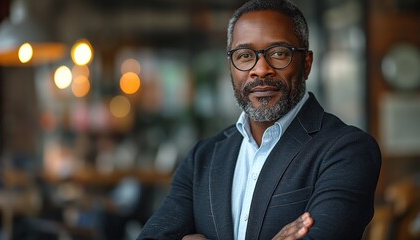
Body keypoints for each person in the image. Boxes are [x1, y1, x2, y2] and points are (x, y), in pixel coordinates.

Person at [138, 0, 381, 239]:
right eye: (245, 55)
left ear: (306, 64)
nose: (261, 69)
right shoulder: (203, 157)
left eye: (278, 53)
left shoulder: (347, 150)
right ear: (231, 67)